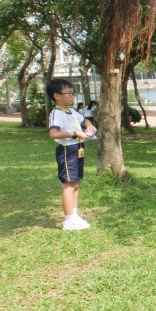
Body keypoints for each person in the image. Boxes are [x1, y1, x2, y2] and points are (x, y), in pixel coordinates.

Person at [46, 79, 97, 231]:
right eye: (68, 93)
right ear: (57, 96)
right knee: (68, 184)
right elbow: (53, 133)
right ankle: (68, 220)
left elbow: (85, 120)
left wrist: (89, 126)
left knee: (75, 183)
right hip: (67, 151)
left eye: (72, 93)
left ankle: (74, 215)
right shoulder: (56, 113)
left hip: (78, 149)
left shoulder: (72, 111)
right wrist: (75, 134)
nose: (72, 96)